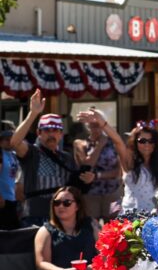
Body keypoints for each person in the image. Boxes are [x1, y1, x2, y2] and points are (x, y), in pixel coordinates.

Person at [11, 91, 95, 226]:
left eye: (55, 130)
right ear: (39, 133)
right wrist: (33, 113)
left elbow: (74, 189)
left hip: (62, 217)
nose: (51, 134)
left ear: (61, 134)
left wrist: (88, 181)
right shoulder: (32, 152)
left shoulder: (66, 158)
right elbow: (14, 142)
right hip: (35, 217)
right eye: (47, 130)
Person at [74, 109, 129, 221]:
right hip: (90, 193)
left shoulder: (113, 143)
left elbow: (118, 171)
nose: (95, 129)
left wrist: (97, 175)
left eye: (97, 125)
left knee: (113, 227)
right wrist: (99, 146)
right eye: (92, 126)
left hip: (112, 191)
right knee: (91, 227)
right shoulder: (80, 143)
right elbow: (86, 165)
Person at [121, 125, 158, 214]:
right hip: (131, 218)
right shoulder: (130, 163)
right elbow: (118, 143)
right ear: (135, 143)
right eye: (142, 141)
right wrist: (103, 124)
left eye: (151, 141)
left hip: (155, 217)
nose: (147, 144)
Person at [0, 121, 20, 230]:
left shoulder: (13, 154)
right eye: (6, 139)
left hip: (12, 200)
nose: (10, 141)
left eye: (12, 138)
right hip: (2, 202)